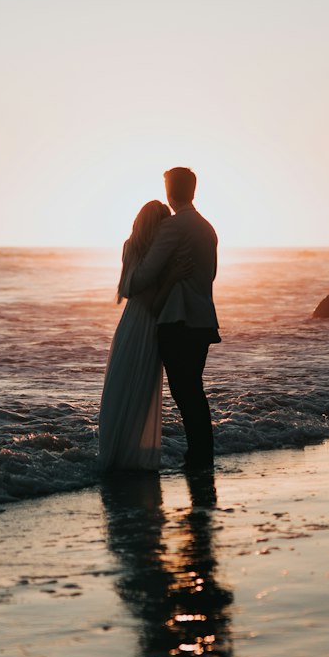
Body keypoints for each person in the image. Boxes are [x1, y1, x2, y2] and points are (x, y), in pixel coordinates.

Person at [126, 167, 220, 469]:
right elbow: (212, 275)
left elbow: (142, 277)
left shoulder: (174, 227)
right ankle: (201, 454)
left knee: (185, 391)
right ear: (193, 191)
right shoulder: (207, 228)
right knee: (193, 389)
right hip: (204, 320)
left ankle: (199, 457)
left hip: (178, 322)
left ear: (169, 191)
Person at [98, 200, 172, 470]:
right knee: (139, 388)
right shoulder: (159, 253)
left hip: (131, 321)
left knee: (122, 385)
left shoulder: (132, 246)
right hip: (149, 323)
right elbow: (135, 288)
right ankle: (129, 454)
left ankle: (115, 451)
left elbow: (126, 289)